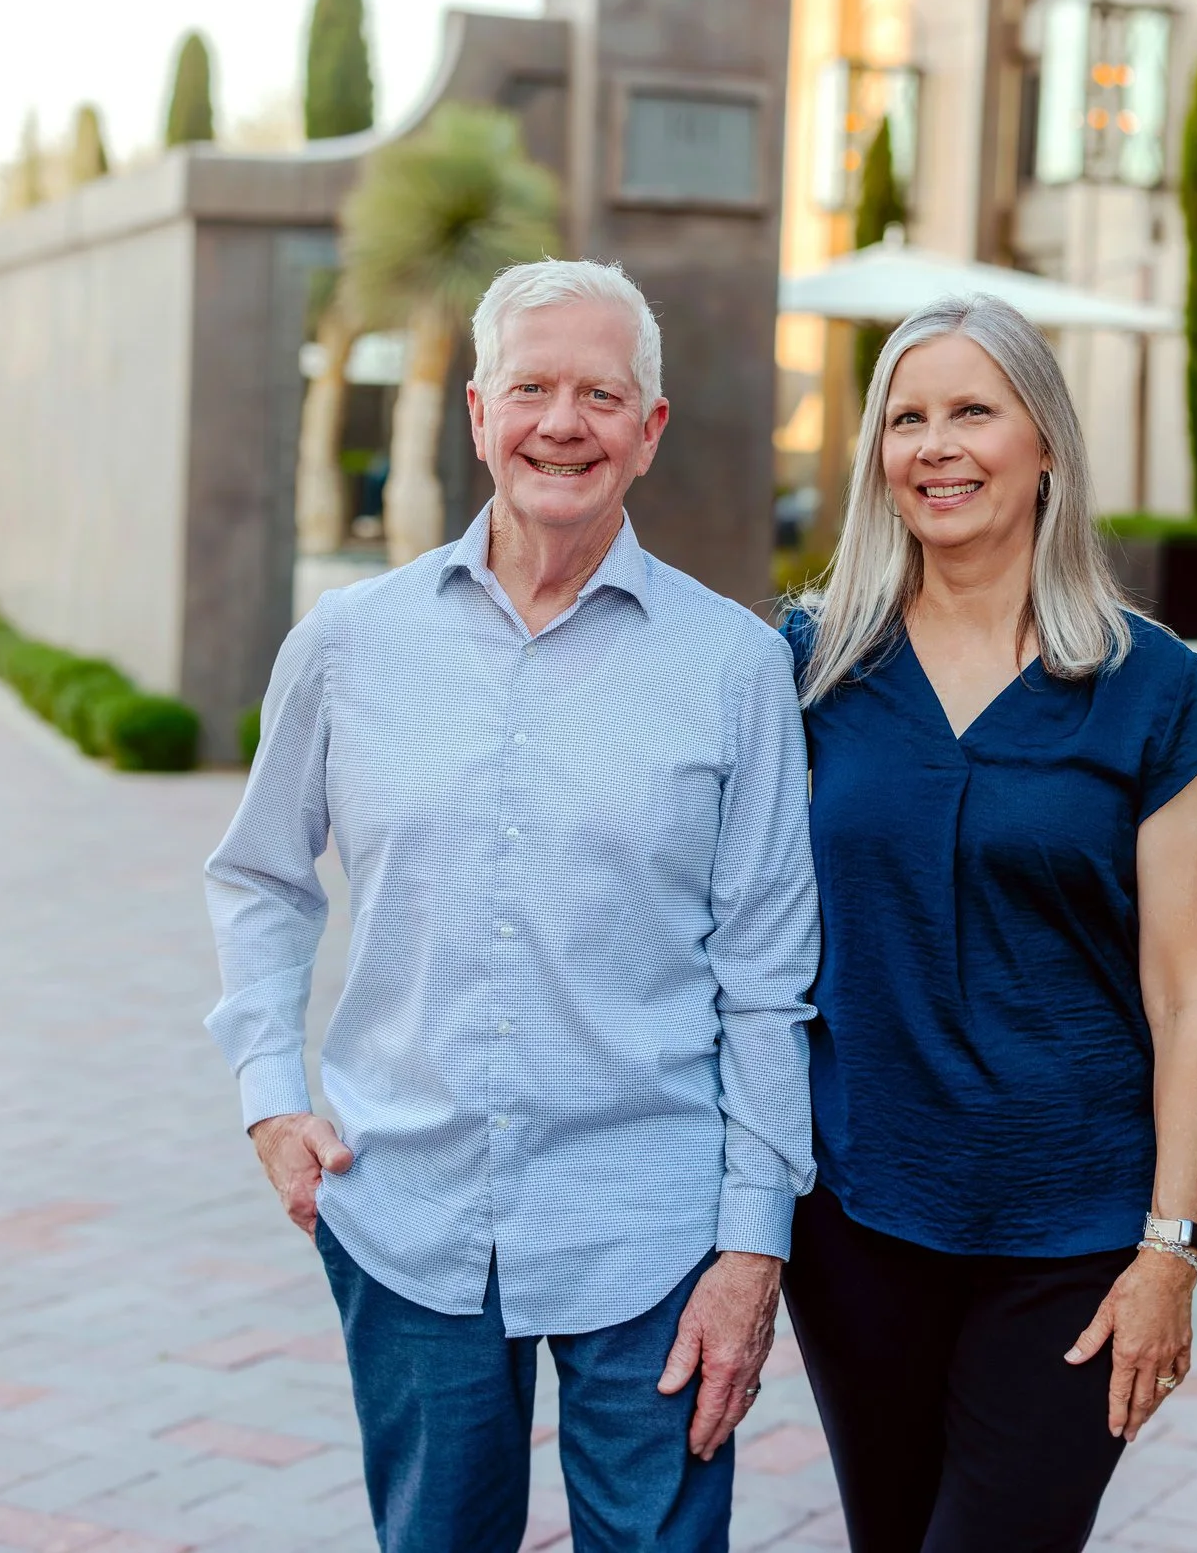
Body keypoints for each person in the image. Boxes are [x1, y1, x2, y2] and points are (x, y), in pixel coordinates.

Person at [203, 259, 819, 1553]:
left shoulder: (733, 665)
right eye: (533, 386)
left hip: (653, 1220)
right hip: (404, 1202)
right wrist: (269, 1093)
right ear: (479, 412)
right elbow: (262, 872)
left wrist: (753, 1246)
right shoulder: (350, 639)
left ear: (648, 431)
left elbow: (768, 972)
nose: (563, 422)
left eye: (603, 393)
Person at [780, 295, 1197, 1553]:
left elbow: (1189, 992)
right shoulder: (815, 662)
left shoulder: (1150, 684)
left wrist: (1172, 1248)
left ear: (1045, 442)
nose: (938, 445)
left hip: (1076, 1230)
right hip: (859, 1211)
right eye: (906, 418)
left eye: (972, 410)